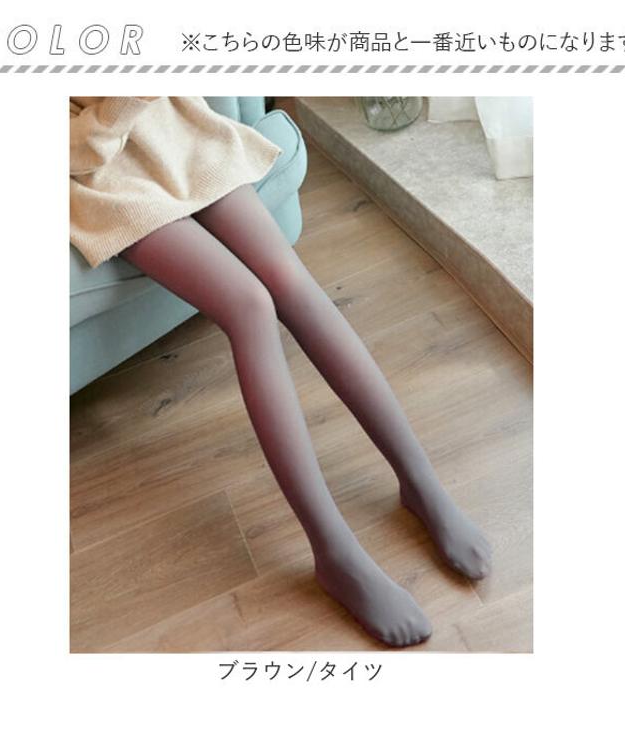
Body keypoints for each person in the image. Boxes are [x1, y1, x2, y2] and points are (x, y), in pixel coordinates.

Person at [70, 96, 492, 648]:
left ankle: (421, 484)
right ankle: (334, 551)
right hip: (100, 177)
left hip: (177, 132)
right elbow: (77, 149)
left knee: (291, 281)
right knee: (249, 307)